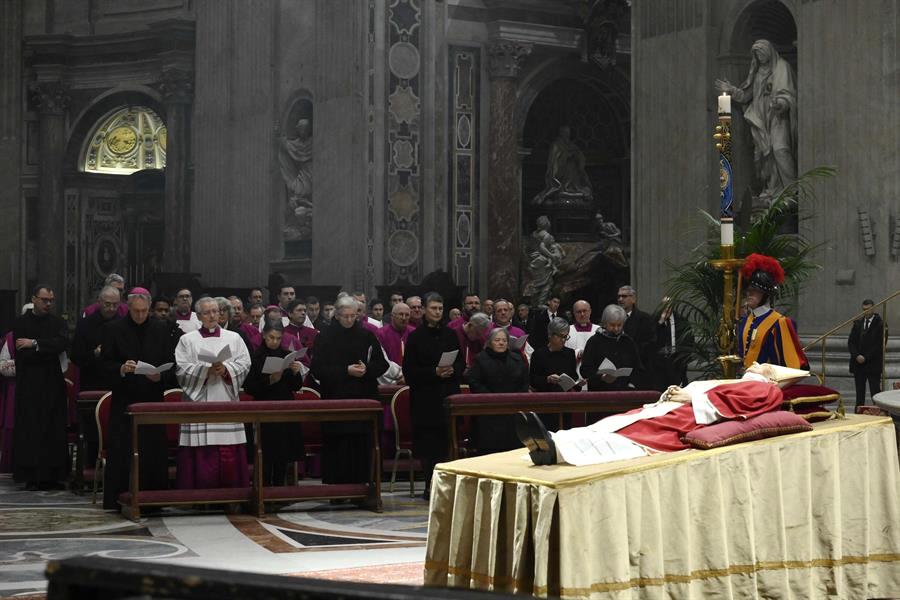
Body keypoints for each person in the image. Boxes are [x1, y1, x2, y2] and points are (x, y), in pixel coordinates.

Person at [517, 363, 801, 466]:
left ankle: (560, 450)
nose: (754, 362)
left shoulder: (767, 390)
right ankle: (553, 440)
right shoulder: (743, 380)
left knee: (631, 435)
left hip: (689, 416)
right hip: (676, 407)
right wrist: (677, 392)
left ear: (772, 377)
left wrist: (692, 397)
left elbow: (736, 406)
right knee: (614, 422)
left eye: (763, 364)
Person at [99, 288, 171, 510]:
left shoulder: (160, 328)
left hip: (152, 398)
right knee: (121, 450)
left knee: (153, 450)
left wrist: (161, 375)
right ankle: (116, 498)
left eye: (144, 311)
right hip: (125, 398)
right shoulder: (113, 329)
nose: (140, 315)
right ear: (128, 308)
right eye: (136, 311)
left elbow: (171, 363)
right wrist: (121, 368)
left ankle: (154, 500)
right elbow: (103, 365)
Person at [174, 297, 252, 489]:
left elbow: (245, 363)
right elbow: (181, 369)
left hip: (226, 398)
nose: (213, 316)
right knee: (200, 451)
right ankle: (198, 496)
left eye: (215, 311)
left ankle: (232, 494)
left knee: (229, 449)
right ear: (199, 316)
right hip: (198, 402)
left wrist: (226, 370)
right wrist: (205, 371)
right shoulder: (187, 340)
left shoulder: (233, 338)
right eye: (207, 312)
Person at [309, 296, 388, 484]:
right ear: (336, 315)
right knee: (338, 448)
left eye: (354, 316)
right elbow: (318, 370)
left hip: (363, 398)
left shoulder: (366, 335)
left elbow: (382, 364)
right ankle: (338, 490)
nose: (350, 320)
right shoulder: (324, 337)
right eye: (346, 316)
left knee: (362, 446)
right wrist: (346, 370)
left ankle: (363, 487)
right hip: (336, 400)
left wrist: (367, 370)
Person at [715, 39, 797, 202]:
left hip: (778, 117)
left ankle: (792, 190)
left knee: (780, 150)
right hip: (760, 120)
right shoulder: (758, 72)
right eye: (756, 55)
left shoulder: (782, 67)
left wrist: (780, 103)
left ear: (769, 51)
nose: (759, 58)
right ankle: (772, 188)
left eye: (761, 54)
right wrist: (731, 90)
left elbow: (789, 94)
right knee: (764, 156)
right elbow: (746, 95)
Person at [403, 293, 464, 499]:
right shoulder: (415, 337)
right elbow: (409, 371)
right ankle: (429, 484)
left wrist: (452, 370)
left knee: (448, 442)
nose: (437, 312)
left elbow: (461, 362)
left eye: (440, 308)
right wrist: (434, 372)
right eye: (433, 308)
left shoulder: (451, 334)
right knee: (428, 447)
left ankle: (450, 484)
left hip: (447, 396)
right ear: (425, 310)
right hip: (425, 399)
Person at [12, 284, 69, 490]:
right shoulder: (21, 322)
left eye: (51, 300)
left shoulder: (57, 322)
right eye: (45, 300)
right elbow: (21, 348)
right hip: (29, 383)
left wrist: (35, 343)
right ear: (34, 299)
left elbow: (61, 343)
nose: (48, 304)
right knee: (31, 429)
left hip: (52, 383)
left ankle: (53, 475)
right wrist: (44, 346)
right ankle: (31, 475)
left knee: (52, 428)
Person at [243, 321, 305, 485]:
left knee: (283, 453)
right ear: (264, 335)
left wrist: (295, 372)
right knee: (267, 454)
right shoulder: (256, 358)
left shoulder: (286, 355)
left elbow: (296, 386)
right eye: (271, 337)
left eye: (278, 338)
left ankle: (279, 489)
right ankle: (265, 490)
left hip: (285, 408)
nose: (275, 341)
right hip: (264, 410)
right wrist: (269, 380)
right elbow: (249, 387)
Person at [737, 254, 807, 370]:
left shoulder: (780, 323)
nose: (749, 294)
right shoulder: (744, 322)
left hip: (768, 384)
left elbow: (792, 366)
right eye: (748, 291)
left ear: (765, 294)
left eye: (755, 291)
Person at [466, 328, 529, 453]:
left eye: (504, 340)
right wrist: (491, 399)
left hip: (513, 412)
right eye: (497, 340)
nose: (501, 343)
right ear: (490, 342)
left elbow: (524, 381)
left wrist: (518, 398)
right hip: (489, 414)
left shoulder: (516, 359)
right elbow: (474, 382)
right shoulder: (480, 359)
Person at [580, 304, 642, 391]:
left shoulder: (628, 342)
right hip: (600, 392)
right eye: (612, 325)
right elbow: (585, 370)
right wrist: (601, 377)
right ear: (605, 323)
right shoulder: (594, 341)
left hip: (625, 391)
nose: (616, 329)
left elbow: (638, 368)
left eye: (619, 325)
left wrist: (632, 383)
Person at [71, 286, 122, 391]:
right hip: (91, 382)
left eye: (115, 305)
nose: (111, 309)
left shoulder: (124, 325)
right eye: (107, 304)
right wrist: (94, 353)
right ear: (99, 302)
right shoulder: (85, 324)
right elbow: (75, 356)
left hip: (118, 383)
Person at [531, 125, 593, 205]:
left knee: (574, 169)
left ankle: (573, 187)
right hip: (561, 173)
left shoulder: (571, 145)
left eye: (568, 133)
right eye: (565, 132)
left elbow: (580, 156)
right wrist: (566, 156)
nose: (567, 134)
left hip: (574, 174)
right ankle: (565, 187)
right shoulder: (556, 145)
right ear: (561, 133)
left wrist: (577, 156)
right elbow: (553, 161)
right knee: (568, 168)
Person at [650, 297, 694, 390]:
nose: (666, 308)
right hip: (659, 364)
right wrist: (661, 321)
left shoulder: (681, 321)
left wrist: (684, 359)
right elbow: (651, 338)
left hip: (676, 362)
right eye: (664, 306)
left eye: (668, 306)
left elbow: (688, 341)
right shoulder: (654, 319)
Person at [848, 299, 885, 408]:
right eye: (864, 310)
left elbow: (879, 345)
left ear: (873, 308)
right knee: (859, 393)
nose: (866, 312)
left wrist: (866, 357)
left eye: (868, 309)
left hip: (873, 363)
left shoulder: (880, 324)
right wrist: (857, 355)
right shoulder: (858, 323)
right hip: (858, 364)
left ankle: (878, 412)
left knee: (875, 392)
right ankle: (859, 413)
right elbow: (851, 342)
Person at [530, 317, 580, 392]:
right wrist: (547, 379)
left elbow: (573, 377)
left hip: (565, 397)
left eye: (566, 336)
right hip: (545, 397)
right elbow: (532, 380)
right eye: (560, 336)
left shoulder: (570, 353)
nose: (563, 340)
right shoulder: (538, 354)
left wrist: (578, 383)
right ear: (550, 335)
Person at [377, 302, 414, 385]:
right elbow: (380, 362)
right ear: (392, 316)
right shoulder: (381, 334)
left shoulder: (414, 333)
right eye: (401, 314)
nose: (404, 318)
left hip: (412, 379)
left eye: (407, 315)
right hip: (389, 381)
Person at [618, 286, 655, 369]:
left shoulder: (645, 319)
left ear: (633, 299)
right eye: (619, 296)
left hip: (638, 368)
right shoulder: (612, 318)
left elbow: (650, 344)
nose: (620, 299)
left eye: (624, 296)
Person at [284, 299, 317, 369]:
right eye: (299, 310)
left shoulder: (314, 333)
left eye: (305, 310)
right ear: (290, 313)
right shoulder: (283, 333)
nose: (303, 313)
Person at [565, 300, 600, 365]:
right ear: (574, 313)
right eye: (579, 312)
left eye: (584, 311)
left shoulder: (599, 330)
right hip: (573, 370)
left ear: (590, 311)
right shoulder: (567, 330)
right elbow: (564, 354)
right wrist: (578, 353)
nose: (582, 314)